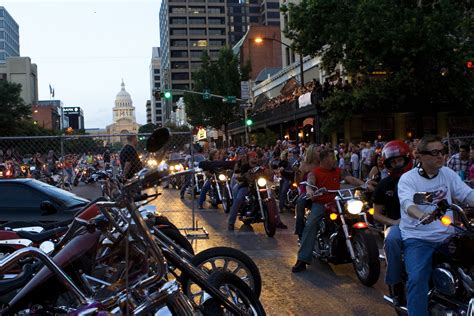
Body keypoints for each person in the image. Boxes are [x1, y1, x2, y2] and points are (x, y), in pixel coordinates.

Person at [398, 135, 474, 315]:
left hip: (448, 235)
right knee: (417, 279)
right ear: (420, 156)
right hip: (418, 238)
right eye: (434, 152)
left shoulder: (447, 173)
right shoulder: (408, 179)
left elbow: (467, 194)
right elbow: (407, 203)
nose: (440, 156)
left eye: (442, 152)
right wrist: (421, 214)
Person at [292, 149, 374, 272]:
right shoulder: (314, 172)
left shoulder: (338, 171)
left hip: (337, 201)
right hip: (320, 203)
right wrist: (310, 191)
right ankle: (302, 259)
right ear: (324, 159)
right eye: (332, 158)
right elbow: (309, 184)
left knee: (355, 215)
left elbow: (350, 179)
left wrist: (364, 185)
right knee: (311, 224)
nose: (334, 160)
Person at [372, 140, 413, 306]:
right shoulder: (384, 185)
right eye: (393, 162)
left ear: (407, 158)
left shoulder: (417, 178)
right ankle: (395, 285)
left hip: (421, 222)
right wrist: (393, 221)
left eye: (399, 160)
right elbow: (376, 214)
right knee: (392, 240)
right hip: (396, 224)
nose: (397, 165)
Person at [294, 144, 320, 239]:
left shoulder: (323, 164)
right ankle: (299, 229)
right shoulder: (305, 165)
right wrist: (297, 174)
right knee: (301, 202)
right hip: (306, 190)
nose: (320, 153)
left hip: (321, 190)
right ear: (312, 152)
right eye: (318, 151)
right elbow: (298, 181)